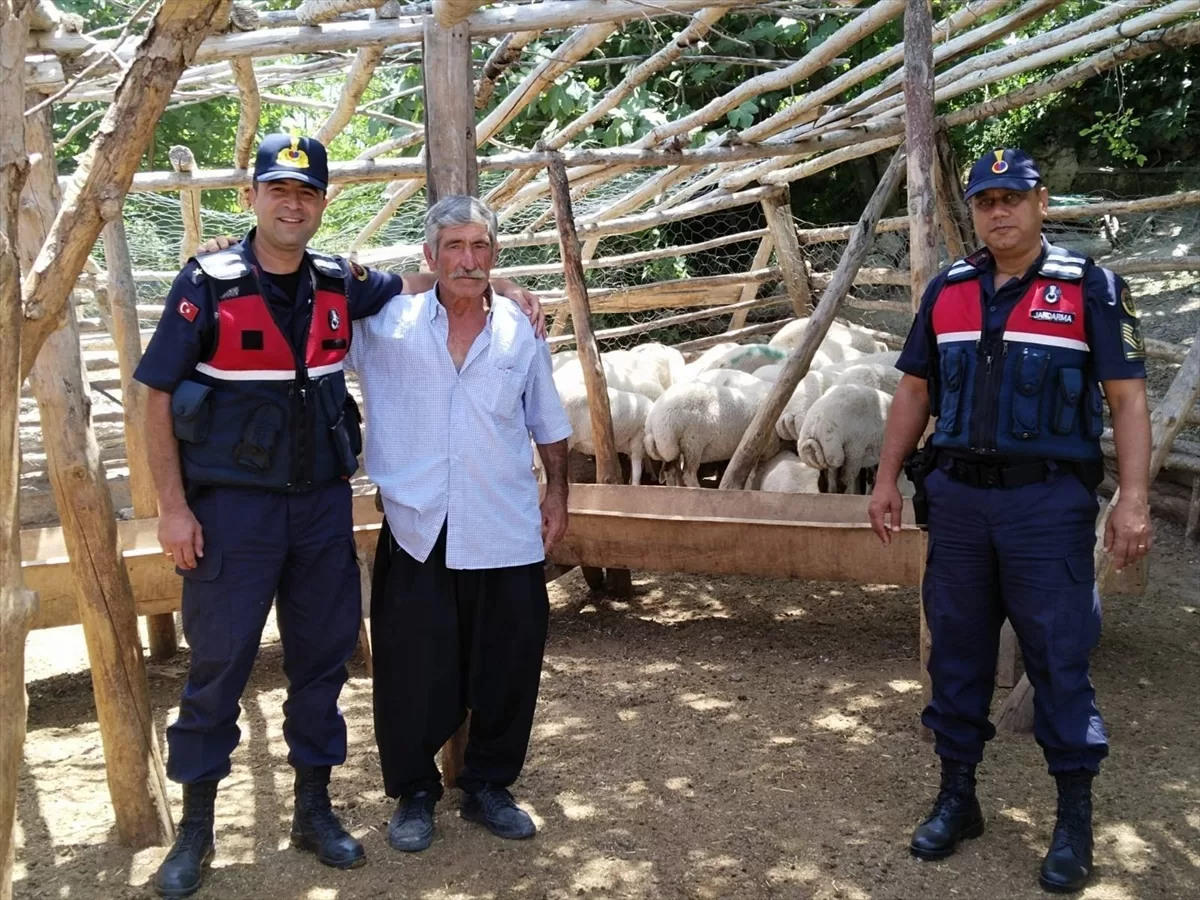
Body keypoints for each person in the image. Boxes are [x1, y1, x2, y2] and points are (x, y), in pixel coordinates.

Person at [137, 135, 542, 899]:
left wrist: (507, 288)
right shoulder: (210, 283)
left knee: (321, 663)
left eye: (307, 192)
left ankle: (313, 812)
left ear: (322, 204)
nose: (292, 204)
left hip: (321, 508)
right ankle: (196, 830)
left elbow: (440, 274)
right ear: (252, 196)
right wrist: (171, 508)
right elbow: (157, 393)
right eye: (277, 190)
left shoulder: (340, 285)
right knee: (219, 666)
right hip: (231, 512)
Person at [868, 148, 1152, 895]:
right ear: (975, 209)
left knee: (1059, 658)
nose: (1000, 210)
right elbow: (914, 391)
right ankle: (958, 800)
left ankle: (1073, 820)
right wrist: (886, 476)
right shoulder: (949, 290)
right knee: (955, 654)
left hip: (1045, 507)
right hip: (958, 505)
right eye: (987, 199)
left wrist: (1133, 498)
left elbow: (1126, 402)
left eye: (1013, 197)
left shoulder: (1090, 288)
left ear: (1041, 202)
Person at [347, 194, 571, 854]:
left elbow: (548, 421)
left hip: (502, 523)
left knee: (509, 662)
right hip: (419, 527)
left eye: (481, 248)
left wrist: (559, 492)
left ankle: (489, 785)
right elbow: (320, 285)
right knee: (412, 667)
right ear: (429, 256)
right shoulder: (388, 322)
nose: (468, 260)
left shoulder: (519, 331)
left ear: (495, 256)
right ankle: (415, 792)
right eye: (454, 247)